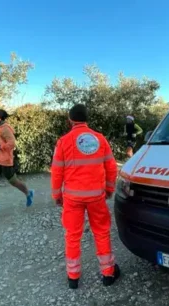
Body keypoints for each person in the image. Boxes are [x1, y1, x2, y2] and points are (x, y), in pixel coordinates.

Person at [51, 104, 120, 289]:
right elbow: (111, 167)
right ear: (87, 119)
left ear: (70, 120)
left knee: (72, 236)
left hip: (72, 198)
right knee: (101, 232)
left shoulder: (63, 141)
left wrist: (57, 194)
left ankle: (73, 278)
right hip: (97, 196)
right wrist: (109, 189)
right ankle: (108, 274)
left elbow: (56, 171)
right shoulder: (100, 139)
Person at [0, 109, 34, 219]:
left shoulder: (5, 129)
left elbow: (12, 144)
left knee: (14, 182)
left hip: (5, 161)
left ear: (1, 118)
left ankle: (28, 193)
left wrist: (0, 147)